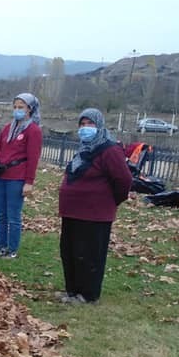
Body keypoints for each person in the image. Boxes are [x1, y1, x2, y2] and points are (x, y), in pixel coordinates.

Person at [58, 108, 133, 304]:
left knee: (89, 255)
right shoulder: (83, 149)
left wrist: (110, 200)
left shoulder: (109, 149)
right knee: (70, 252)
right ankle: (72, 290)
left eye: (89, 124)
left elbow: (123, 179)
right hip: (73, 211)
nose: (85, 128)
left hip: (94, 213)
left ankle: (88, 294)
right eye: (82, 124)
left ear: (98, 125)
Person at [0, 92, 43, 258]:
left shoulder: (33, 131)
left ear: (30, 109)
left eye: (21, 107)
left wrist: (29, 181)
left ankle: (12, 249)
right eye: (15, 107)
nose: (17, 110)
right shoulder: (7, 129)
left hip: (16, 178)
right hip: (0, 176)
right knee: (0, 214)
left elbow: (33, 157)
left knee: (13, 215)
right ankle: (1, 246)